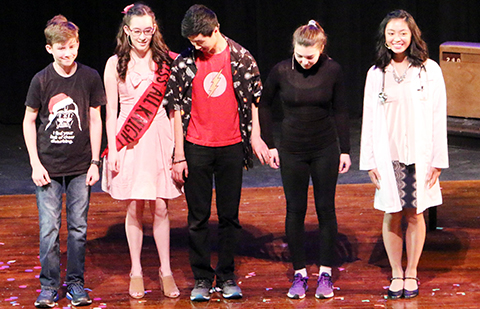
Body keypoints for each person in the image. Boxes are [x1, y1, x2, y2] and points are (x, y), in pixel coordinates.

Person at [165, 4, 271, 302]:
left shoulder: (241, 58)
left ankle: (226, 275)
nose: (196, 46)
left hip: (231, 146)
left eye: (201, 40)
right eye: (192, 42)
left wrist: (256, 137)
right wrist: (178, 154)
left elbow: (255, 99)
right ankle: (201, 277)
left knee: (229, 216)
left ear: (216, 30)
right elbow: (174, 108)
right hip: (196, 147)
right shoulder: (186, 62)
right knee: (197, 217)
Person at [259, 20, 351, 300]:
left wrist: (344, 149)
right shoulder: (281, 70)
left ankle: (325, 273)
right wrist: (270, 144)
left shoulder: (333, 70)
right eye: (299, 55)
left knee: (325, 209)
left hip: (324, 148)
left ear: (322, 48)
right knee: (295, 209)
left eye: (310, 56)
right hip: (293, 150)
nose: (304, 61)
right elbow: (264, 104)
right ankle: (299, 274)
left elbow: (341, 111)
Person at [360, 10, 448, 299]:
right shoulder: (376, 74)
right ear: (384, 39)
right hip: (390, 156)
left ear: (412, 36)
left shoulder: (429, 70)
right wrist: (370, 160)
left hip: (417, 156)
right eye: (391, 34)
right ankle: (396, 272)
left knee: (415, 212)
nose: (397, 39)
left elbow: (438, 116)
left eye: (402, 33)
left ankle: (412, 272)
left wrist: (437, 159)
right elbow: (369, 119)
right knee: (392, 211)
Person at [23, 15, 105, 308]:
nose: (67, 53)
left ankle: (75, 283)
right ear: (50, 49)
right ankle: (48, 286)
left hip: (81, 166)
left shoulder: (90, 77)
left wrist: (96, 161)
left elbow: (95, 118)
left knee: (78, 229)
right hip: (48, 168)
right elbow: (29, 120)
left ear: (78, 44)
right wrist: (35, 162)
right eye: (61, 48)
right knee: (48, 230)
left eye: (71, 47)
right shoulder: (41, 79)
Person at [102, 3, 181, 299]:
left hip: (159, 135)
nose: (143, 36)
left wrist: (177, 152)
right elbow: (111, 111)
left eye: (148, 30)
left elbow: (175, 110)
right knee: (134, 205)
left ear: (154, 29)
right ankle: (136, 269)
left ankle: (165, 270)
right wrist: (114, 149)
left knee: (161, 205)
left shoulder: (166, 61)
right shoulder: (115, 63)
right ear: (127, 31)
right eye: (137, 31)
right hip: (128, 139)